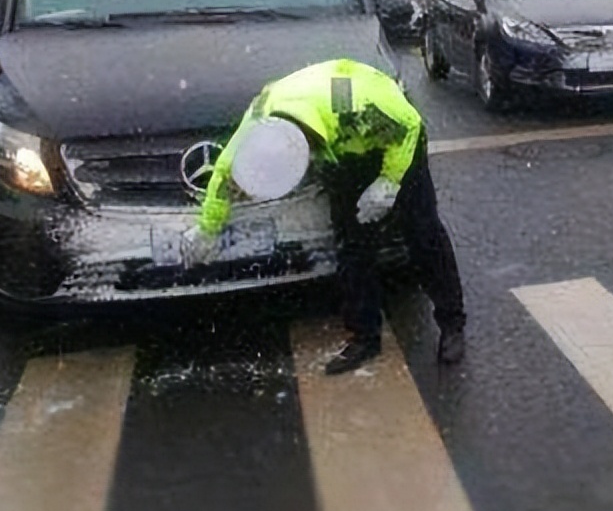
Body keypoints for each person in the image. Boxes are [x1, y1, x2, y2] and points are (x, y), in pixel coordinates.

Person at [197, 59, 466, 375]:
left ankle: (452, 323)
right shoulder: (260, 121)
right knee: (352, 245)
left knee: (422, 232)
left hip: (390, 143)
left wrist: (388, 182)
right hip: (342, 156)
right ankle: (365, 336)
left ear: (309, 140)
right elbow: (227, 172)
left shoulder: (356, 102)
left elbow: (408, 126)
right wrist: (208, 227)